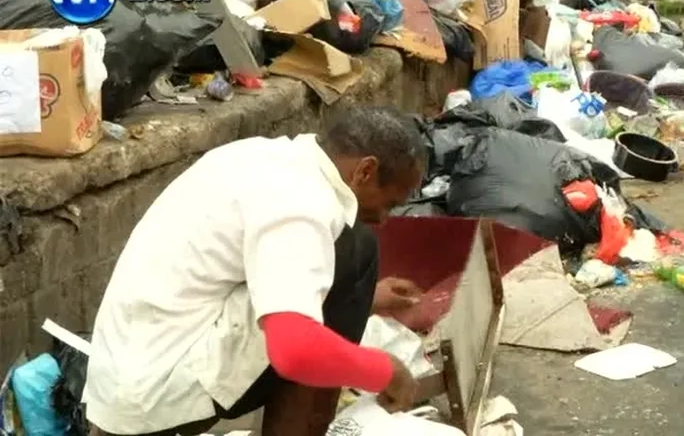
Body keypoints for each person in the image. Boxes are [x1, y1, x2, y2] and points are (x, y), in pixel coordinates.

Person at [83, 106, 429, 436]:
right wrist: (385, 371)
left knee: (353, 250)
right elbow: (294, 352)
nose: (385, 218)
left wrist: (364, 300)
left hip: (127, 376)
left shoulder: (267, 156)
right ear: (365, 171)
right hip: (154, 398)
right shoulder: (302, 203)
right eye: (389, 202)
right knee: (356, 248)